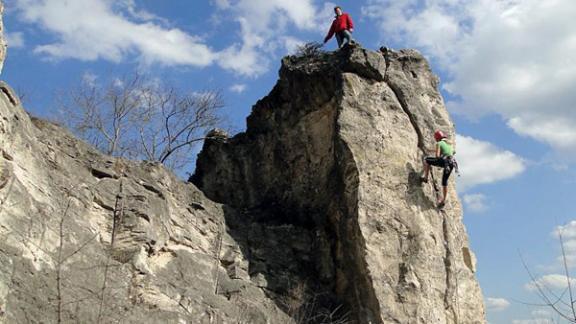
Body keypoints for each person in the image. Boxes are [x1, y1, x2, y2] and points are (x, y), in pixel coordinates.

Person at [421, 130, 456, 208]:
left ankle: (425, 178)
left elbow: (437, 156)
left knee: (426, 160)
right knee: (444, 182)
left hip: (444, 162)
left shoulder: (439, 143)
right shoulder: (449, 144)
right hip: (451, 163)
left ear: (437, 138)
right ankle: (443, 200)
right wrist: (432, 150)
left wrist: (439, 162)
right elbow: (453, 152)